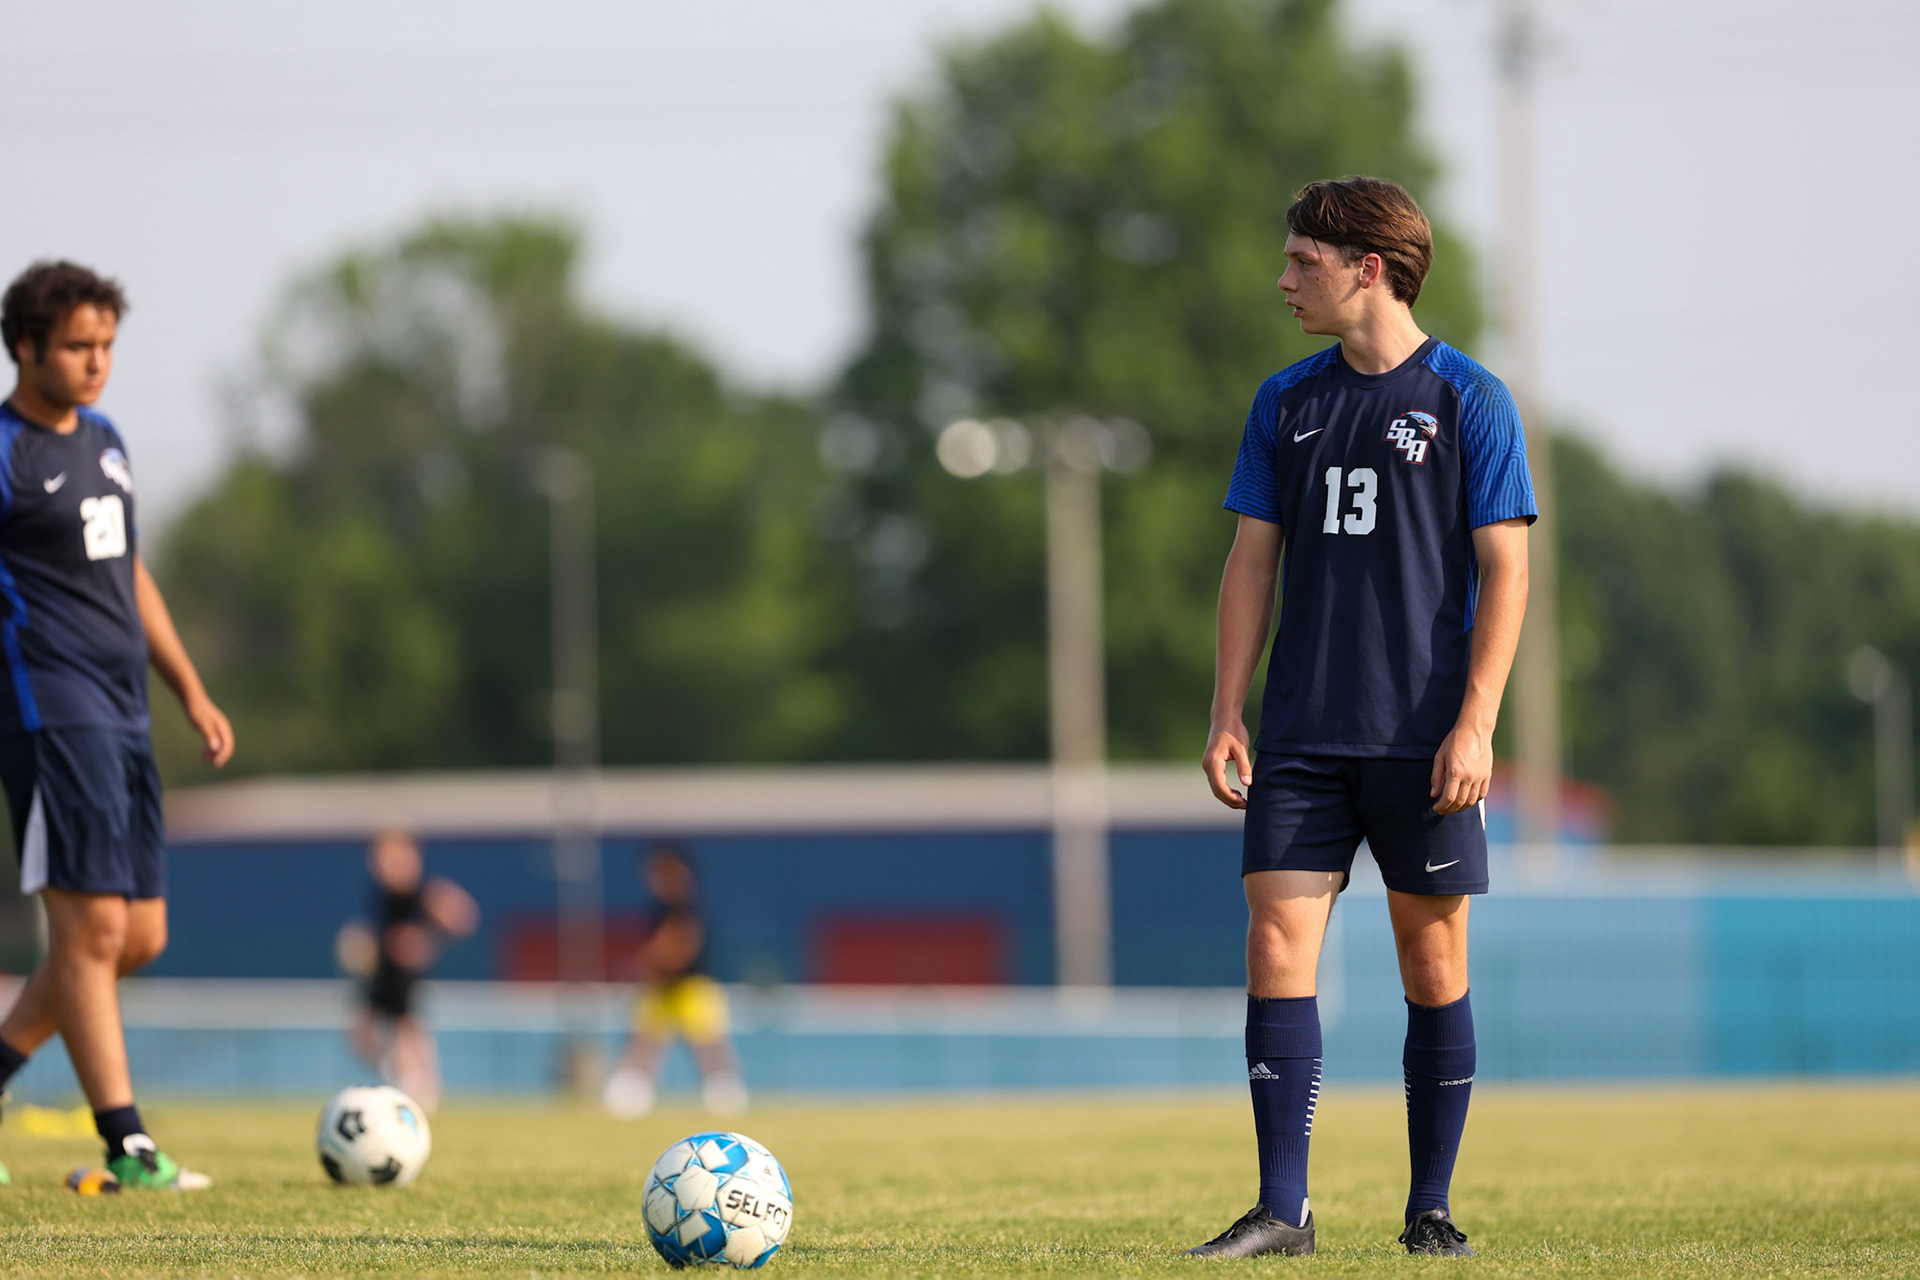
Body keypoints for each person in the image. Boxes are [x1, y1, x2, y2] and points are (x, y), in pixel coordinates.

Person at [1188, 178, 1534, 1259]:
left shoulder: (1471, 397)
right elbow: (1252, 561)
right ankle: (1281, 1207)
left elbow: (1507, 568)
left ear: (1367, 266)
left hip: (1425, 740)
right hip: (1300, 737)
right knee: (1274, 941)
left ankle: (1430, 1207)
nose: (1284, 280)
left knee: (1432, 968)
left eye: (1302, 261)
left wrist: (1476, 721)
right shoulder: (1284, 401)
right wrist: (1227, 709)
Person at [0, 261, 235, 1190]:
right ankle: (127, 1147)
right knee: (91, 933)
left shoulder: (104, 439)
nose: (97, 364)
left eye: (106, 346)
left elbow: (130, 573)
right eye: (77, 346)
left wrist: (190, 688)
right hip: (50, 710)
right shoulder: (5, 450)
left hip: (126, 711)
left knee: (137, 939)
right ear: (26, 348)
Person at [337, 830, 477, 1114]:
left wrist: (426, 941)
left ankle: (422, 1091)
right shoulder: (382, 894)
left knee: (408, 1032)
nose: (383, 864)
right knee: (362, 1034)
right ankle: (403, 1079)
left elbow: (463, 916)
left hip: (405, 976)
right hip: (382, 973)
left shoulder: (422, 891)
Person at [602, 844, 746, 1118]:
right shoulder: (659, 907)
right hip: (659, 989)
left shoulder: (686, 906)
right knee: (645, 1041)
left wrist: (651, 963)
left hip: (693, 986)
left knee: (708, 1042)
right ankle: (631, 1090)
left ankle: (725, 1091)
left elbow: (681, 944)